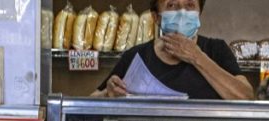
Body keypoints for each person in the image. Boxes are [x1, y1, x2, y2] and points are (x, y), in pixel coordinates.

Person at [92, 0, 253, 101]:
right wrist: (108, 94)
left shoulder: (216, 50)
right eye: (172, 5)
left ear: (199, 14)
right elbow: (92, 99)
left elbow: (244, 96)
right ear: (156, 17)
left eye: (190, 5)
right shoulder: (136, 56)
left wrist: (196, 56)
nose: (182, 13)